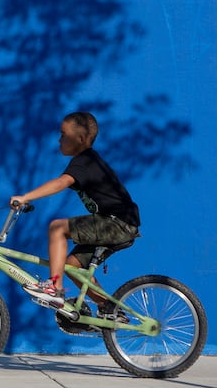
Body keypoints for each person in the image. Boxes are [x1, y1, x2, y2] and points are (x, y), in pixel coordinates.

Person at [10, 112, 140, 319]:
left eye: (63, 134)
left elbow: (61, 182)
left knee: (57, 228)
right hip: (120, 223)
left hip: (117, 223)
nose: (59, 139)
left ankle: (54, 288)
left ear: (80, 139)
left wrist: (26, 196)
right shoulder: (87, 162)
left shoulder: (85, 161)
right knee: (71, 266)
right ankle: (109, 309)